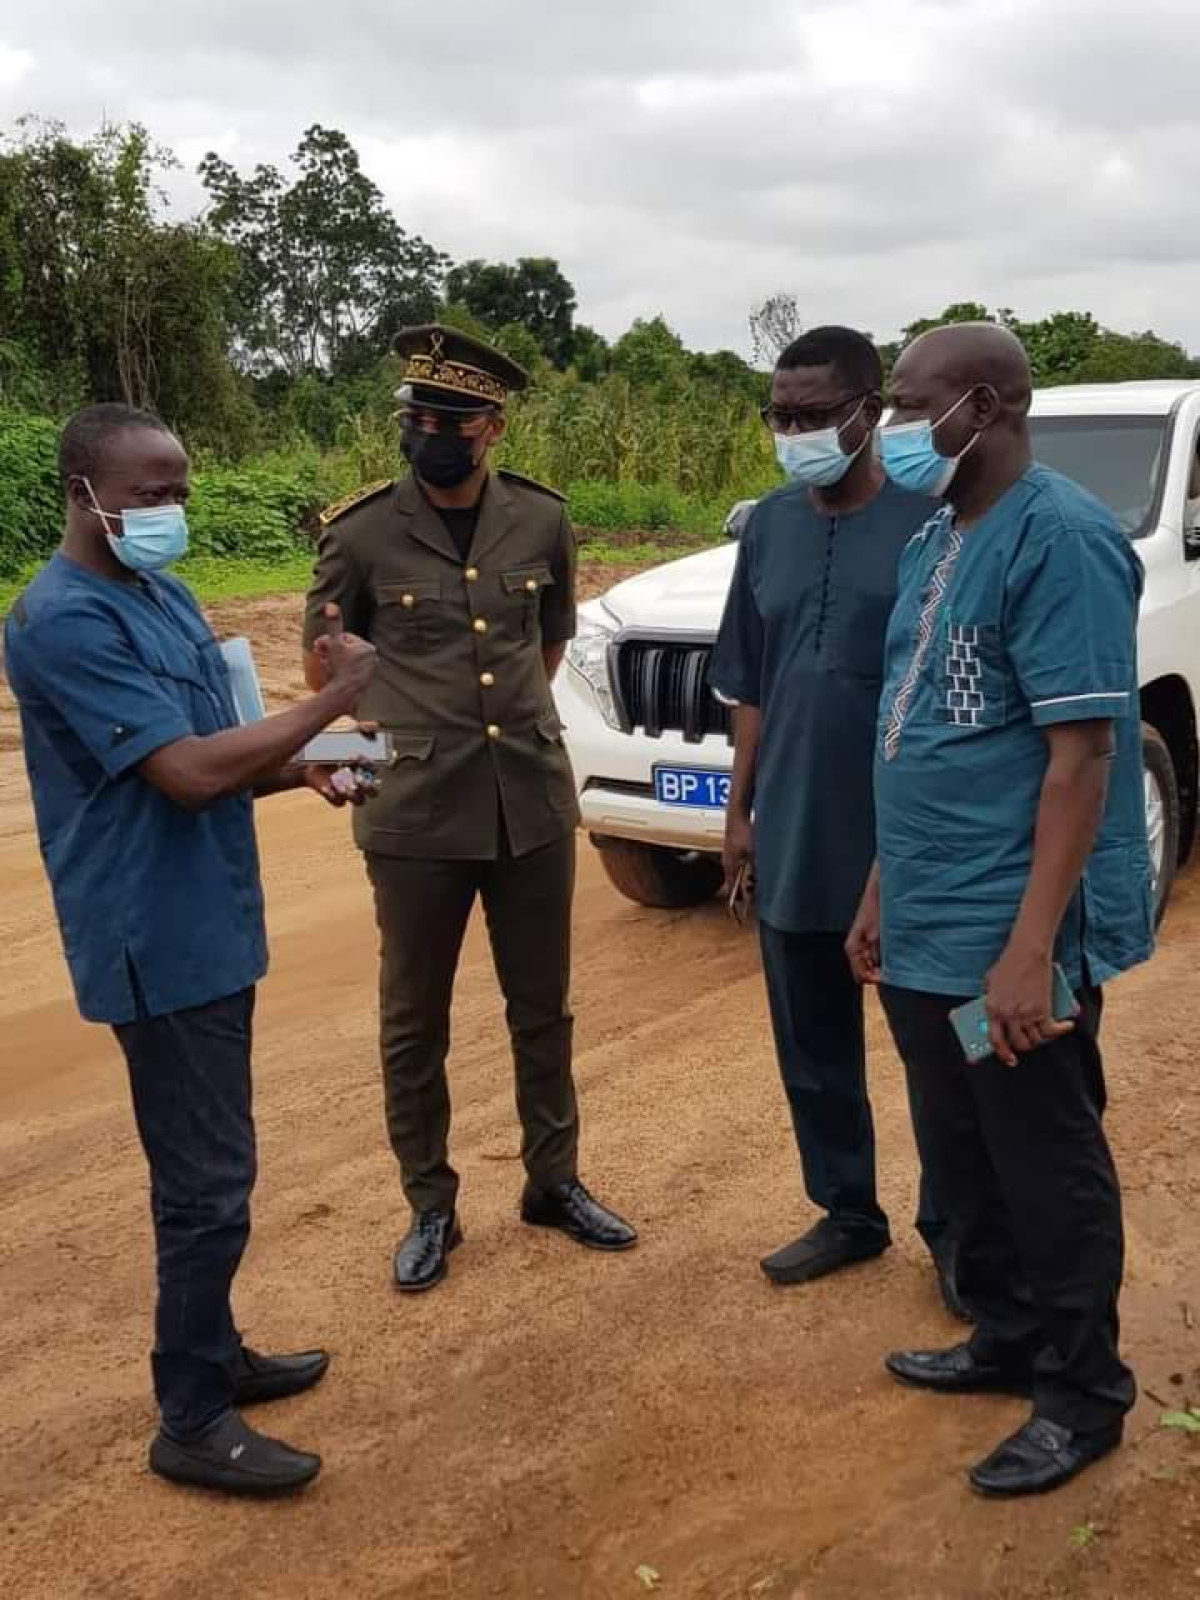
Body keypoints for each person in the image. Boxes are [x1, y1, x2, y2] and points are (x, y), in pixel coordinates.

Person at [5, 403, 378, 1496]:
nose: (168, 510)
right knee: (206, 1183)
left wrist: (304, 762)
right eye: (146, 492)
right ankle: (191, 1414)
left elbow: (221, 753)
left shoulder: (160, 594)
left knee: (216, 1163)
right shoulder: (59, 619)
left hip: (210, 921)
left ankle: (216, 1351)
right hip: (150, 936)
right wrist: (337, 702)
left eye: (178, 489)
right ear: (82, 492)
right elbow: (184, 774)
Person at [847, 323, 1153, 1497]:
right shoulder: (939, 536)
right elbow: (913, 732)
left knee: (1042, 1152)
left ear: (984, 403)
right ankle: (1009, 1334)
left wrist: (1031, 951)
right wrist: (881, 885)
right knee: (964, 1146)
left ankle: (1082, 1393)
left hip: (1003, 938)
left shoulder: (1061, 540)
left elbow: (1081, 760)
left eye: (911, 402)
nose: (892, 425)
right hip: (927, 922)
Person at [303, 324, 636, 1293]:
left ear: (492, 428)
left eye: (452, 419)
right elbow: (327, 671)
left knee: (543, 1007)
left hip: (527, 799)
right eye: (418, 417)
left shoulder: (540, 520)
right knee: (415, 1019)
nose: (431, 433)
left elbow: (547, 640)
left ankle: (554, 1181)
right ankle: (431, 1204)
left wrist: (502, 727)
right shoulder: (360, 532)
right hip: (413, 811)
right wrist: (360, 764)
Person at [709, 327, 955, 1301]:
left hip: (905, 841)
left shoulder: (929, 520)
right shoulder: (768, 525)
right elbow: (751, 679)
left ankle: (956, 1234)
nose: (795, 431)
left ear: (867, 411)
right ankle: (848, 1208)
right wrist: (739, 810)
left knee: (935, 1050)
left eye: (814, 415)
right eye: (781, 416)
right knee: (809, 1040)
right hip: (798, 825)